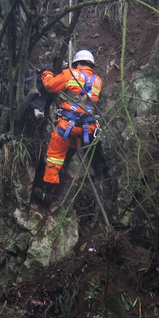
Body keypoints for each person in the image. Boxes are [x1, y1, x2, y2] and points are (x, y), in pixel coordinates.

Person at [33, 49, 102, 205]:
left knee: (54, 157)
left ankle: (46, 192)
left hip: (68, 125)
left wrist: (47, 73)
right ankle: (60, 179)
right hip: (86, 129)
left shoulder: (70, 74)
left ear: (76, 63)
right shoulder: (98, 81)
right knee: (66, 154)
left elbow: (50, 86)